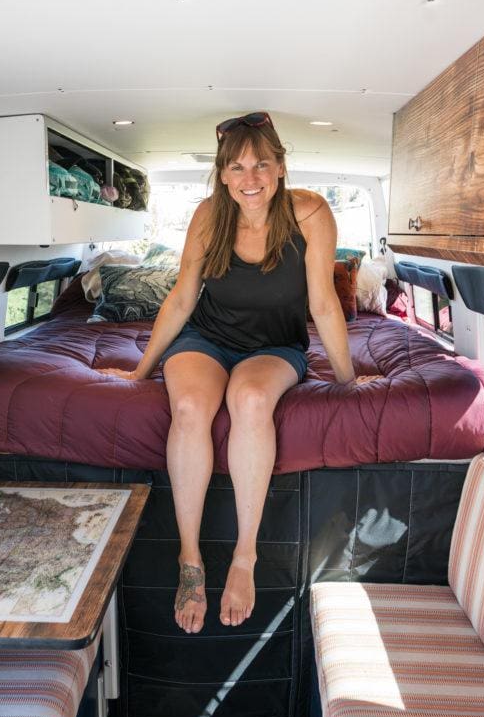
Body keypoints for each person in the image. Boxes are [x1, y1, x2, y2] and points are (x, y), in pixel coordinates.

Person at [102, 112, 377, 635]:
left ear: (279, 169)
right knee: (188, 408)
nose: (250, 179)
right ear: (223, 174)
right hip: (206, 338)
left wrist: (345, 381)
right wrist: (139, 373)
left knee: (250, 401)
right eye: (237, 168)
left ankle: (243, 558)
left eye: (262, 165)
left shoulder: (311, 213)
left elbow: (323, 303)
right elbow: (182, 297)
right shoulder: (209, 215)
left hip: (275, 345)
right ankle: (190, 560)